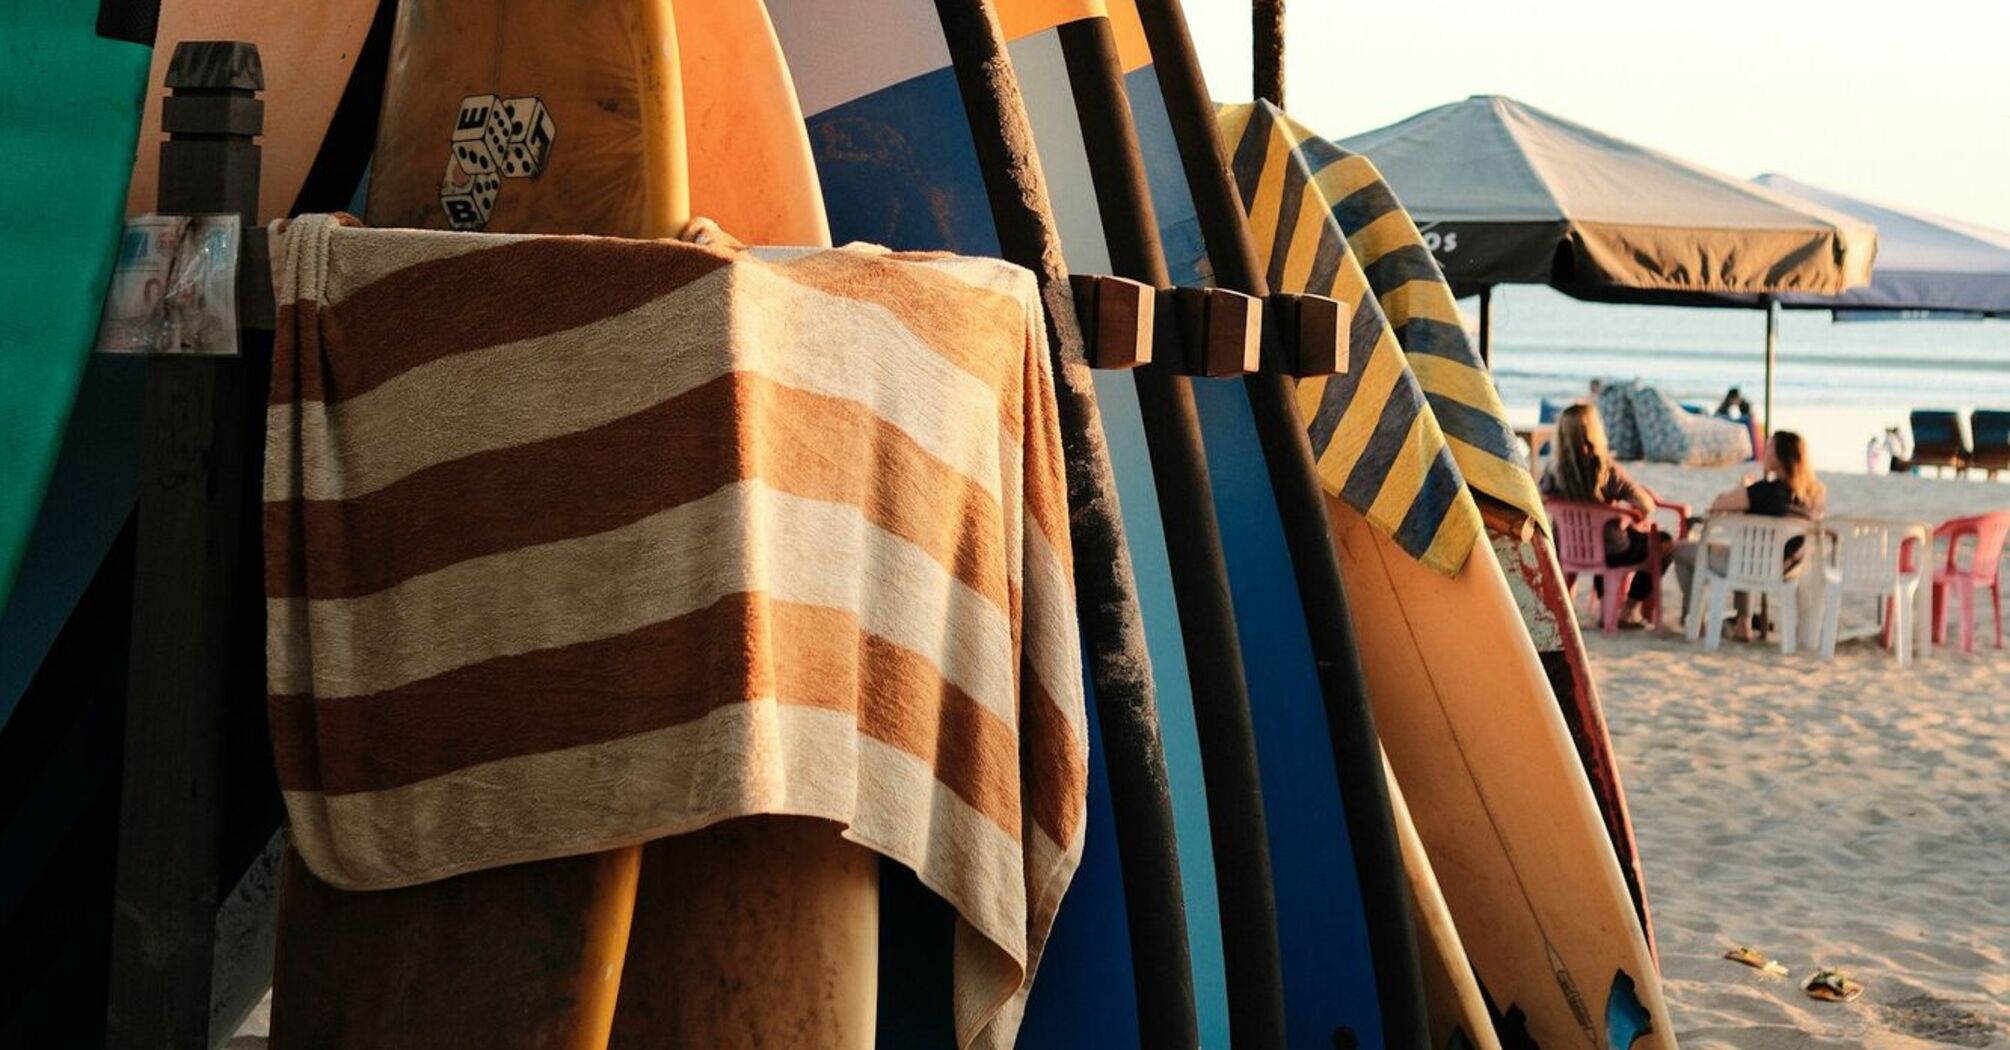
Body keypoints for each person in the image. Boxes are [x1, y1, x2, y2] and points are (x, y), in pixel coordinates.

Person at [1672, 430, 1828, 641]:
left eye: (1769, 448)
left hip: (1749, 564)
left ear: (1779, 456)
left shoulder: (1763, 491)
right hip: (1787, 568)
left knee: (1680, 549)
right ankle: (1743, 623)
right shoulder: (1814, 495)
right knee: (1748, 550)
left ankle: (1697, 621)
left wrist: (1743, 487)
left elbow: (1718, 505)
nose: (1765, 452)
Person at [1540, 403, 1668, 629]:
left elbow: (1541, 500)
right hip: (1611, 551)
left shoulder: (1552, 470)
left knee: (1609, 537)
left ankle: (1603, 604)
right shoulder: (1607, 469)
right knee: (1664, 542)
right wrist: (1628, 512)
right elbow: (1646, 506)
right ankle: (1628, 609)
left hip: (1567, 549)